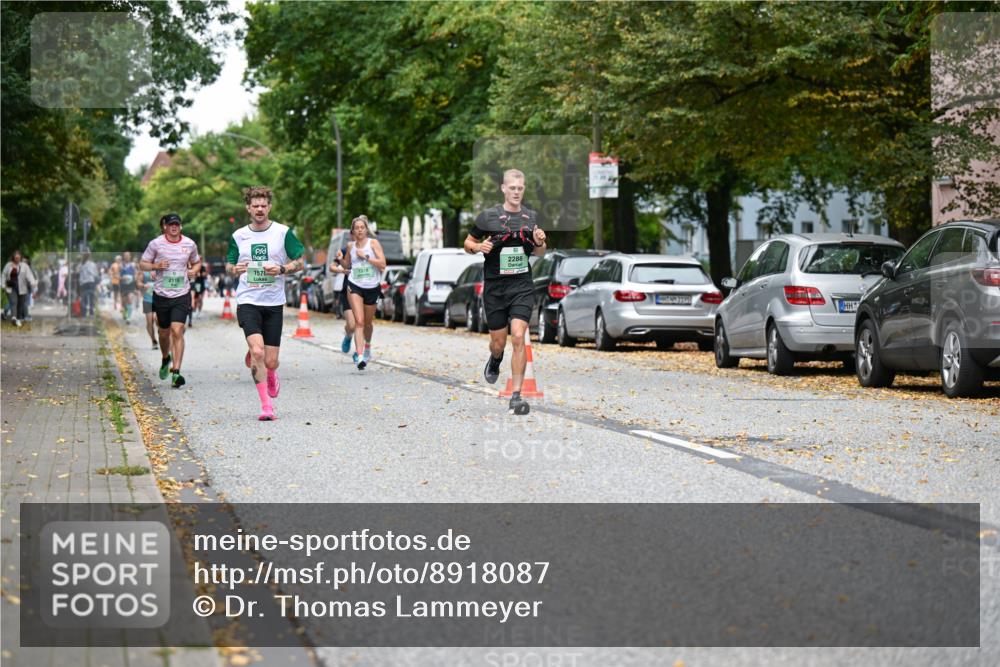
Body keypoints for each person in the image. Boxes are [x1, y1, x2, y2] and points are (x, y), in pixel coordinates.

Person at [464, 168, 547, 415]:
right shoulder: (488, 217)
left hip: (521, 286)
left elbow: (540, 252)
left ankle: (516, 395)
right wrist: (479, 246)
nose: (516, 192)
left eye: (520, 188)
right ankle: (496, 359)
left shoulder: (531, 218)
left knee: (519, 336)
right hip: (495, 288)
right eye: (512, 188)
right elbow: (467, 243)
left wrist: (541, 241)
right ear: (503, 188)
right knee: (498, 343)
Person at [226, 185, 304, 420]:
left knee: (271, 360)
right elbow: (229, 266)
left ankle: (270, 372)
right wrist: (234, 268)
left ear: (269, 207)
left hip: (273, 302)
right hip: (248, 300)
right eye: (255, 205)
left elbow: (299, 261)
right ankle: (266, 407)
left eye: (263, 205)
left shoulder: (282, 233)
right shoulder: (239, 236)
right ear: (248, 208)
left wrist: (282, 268)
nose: (259, 209)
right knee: (258, 352)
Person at [140, 213, 201, 388]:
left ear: (180, 226)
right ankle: (165, 357)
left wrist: (194, 270)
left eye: (177, 224)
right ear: (165, 226)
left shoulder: (189, 244)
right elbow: (142, 264)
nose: (174, 227)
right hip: (161, 295)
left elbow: (196, 262)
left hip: (181, 294)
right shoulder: (156, 244)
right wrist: (155, 266)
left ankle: (176, 372)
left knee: (177, 330)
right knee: (164, 332)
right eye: (171, 224)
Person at [338, 215, 386, 370]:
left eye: (362, 228)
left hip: (372, 287)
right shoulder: (350, 246)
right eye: (356, 228)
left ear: (366, 230)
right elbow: (346, 264)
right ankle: (359, 357)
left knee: (367, 323)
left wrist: (365, 257)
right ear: (353, 231)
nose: (359, 230)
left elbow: (383, 264)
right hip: (355, 285)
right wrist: (340, 259)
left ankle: (367, 347)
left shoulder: (373, 244)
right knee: (359, 321)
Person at [329, 228, 357, 355]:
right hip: (348, 291)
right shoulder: (345, 251)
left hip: (365, 291)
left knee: (362, 324)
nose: (358, 234)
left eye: (362, 230)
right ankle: (348, 336)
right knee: (352, 325)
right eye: (355, 231)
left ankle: (360, 353)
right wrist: (341, 270)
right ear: (351, 235)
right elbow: (332, 266)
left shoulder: (370, 250)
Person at [3, 250, 37, 327]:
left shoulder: (24, 266)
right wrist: (2, 285)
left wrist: (33, 283)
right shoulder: (8, 265)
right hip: (11, 287)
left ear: (20, 258)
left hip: (22, 288)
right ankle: (13, 318)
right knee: (13, 302)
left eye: (18, 258)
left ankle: (17, 318)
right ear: (13, 258)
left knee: (20, 304)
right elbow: (4, 275)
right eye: (16, 258)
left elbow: (30, 276)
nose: (17, 259)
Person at [137, 269, 158, 349]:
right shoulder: (144, 271)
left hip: (159, 300)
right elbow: (138, 283)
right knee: (150, 322)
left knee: (157, 320)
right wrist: (143, 285)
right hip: (147, 299)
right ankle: (153, 340)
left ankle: (162, 335)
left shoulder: (160, 269)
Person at [78, 251, 100, 317]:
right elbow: (95, 274)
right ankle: (91, 314)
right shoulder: (92, 264)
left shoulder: (81, 264)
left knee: (84, 298)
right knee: (91, 298)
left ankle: (84, 314)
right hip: (91, 282)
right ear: (89, 257)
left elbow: (79, 273)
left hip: (83, 283)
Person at [119, 251, 138, 323]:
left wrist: (134, 278)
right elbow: (118, 275)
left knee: (129, 299)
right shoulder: (121, 265)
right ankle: (125, 313)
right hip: (123, 285)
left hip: (131, 285)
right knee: (124, 302)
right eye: (125, 255)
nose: (126, 257)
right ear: (123, 257)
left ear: (130, 256)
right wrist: (122, 278)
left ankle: (128, 318)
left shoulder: (133, 265)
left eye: (128, 255)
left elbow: (136, 273)